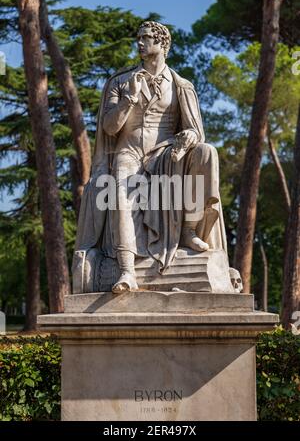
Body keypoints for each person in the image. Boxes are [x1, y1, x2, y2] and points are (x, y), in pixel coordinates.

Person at [73, 21, 227, 294]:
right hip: (128, 152)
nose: (140, 43)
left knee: (207, 153)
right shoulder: (120, 82)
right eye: (139, 37)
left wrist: (189, 138)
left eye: (146, 38)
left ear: (162, 43)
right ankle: (127, 270)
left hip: (167, 153)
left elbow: (194, 129)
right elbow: (109, 128)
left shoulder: (182, 85)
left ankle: (189, 230)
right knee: (119, 189)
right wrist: (128, 100)